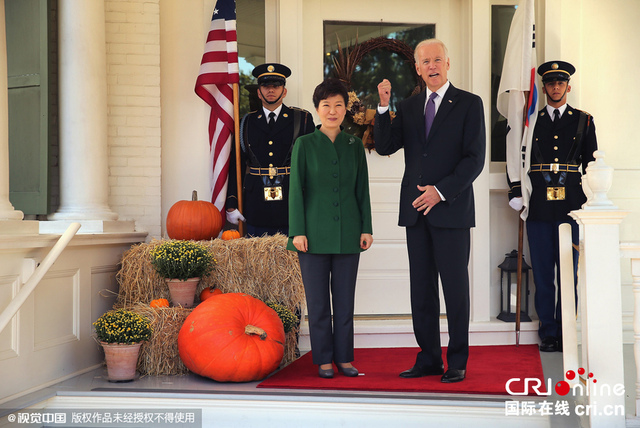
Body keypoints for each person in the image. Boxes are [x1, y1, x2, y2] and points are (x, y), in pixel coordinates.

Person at [374, 38, 486, 383]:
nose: (432, 66)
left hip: (450, 210)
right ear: (418, 68)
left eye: (438, 59)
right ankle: (428, 359)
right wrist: (382, 108)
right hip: (415, 212)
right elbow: (385, 146)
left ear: (448, 64)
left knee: (454, 290)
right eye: (425, 61)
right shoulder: (408, 107)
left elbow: (474, 160)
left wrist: (440, 192)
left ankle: (457, 362)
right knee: (421, 289)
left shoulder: (469, 104)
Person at [507, 61, 597, 352]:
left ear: (568, 86)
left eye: (560, 82)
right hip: (541, 205)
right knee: (544, 273)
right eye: (550, 82)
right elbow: (517, 156)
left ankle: (567, 331)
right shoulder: (531, 120)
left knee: (568, 272)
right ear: (543, 87)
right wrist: (517, 190)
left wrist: (594, 201)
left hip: (572, 206)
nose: (555, 87)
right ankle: (548, 332)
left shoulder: (583, 120)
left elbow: (593, 166)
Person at [287, 78, 373, 379]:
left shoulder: (353, 146)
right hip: (311, 237)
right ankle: (323, 359)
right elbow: (296, 190)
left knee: (345, 302)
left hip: (349, 236)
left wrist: (366, 228)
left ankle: (344, 358)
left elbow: (362, 190)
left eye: (338, 105)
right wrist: (297, 231)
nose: (333, 111)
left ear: (345, 109)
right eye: (327, 105)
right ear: (317, 109)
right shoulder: (304, 144)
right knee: (319, 303)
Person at [226, 63, 315, 236]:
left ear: (285, 91)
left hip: (291, 204)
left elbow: (312, 164)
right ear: (259, 92)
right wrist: (232, 202)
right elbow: (236, 163)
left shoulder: (302, 119)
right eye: (266, 86)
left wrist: (313, 202)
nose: (271, 90)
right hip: (255, 206)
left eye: (276, 85)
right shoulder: (246, 123)